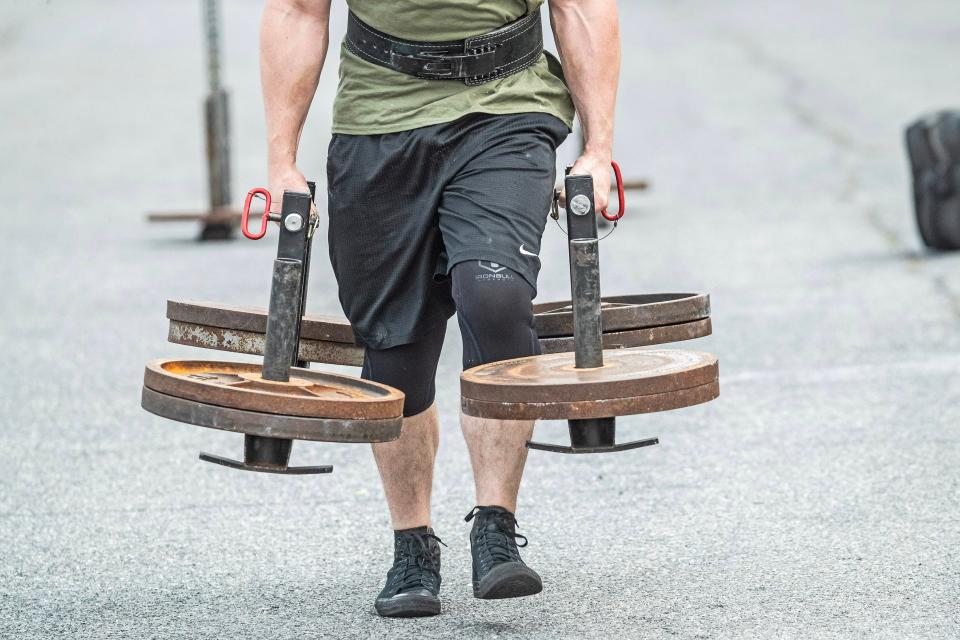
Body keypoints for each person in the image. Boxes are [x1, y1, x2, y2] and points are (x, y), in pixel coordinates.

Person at [260, 0, 620, 617]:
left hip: (508, 107)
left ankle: (496, 527)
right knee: (396, 352)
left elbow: (581, 6)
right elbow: (297, 11)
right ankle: (413, 545)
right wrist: (280, 162)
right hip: (378, 122)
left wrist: (599, 148)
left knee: (496, 293)